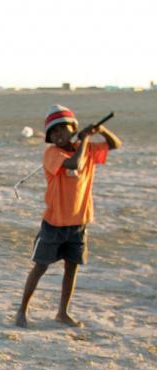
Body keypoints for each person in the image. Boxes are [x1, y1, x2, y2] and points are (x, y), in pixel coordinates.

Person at [16, 104, 121, 328]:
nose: (58, 135)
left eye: (63, 130)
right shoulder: (52, 154)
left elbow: (115, 144)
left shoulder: (87, 149)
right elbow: (74, 163)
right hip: (53, 223)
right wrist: (84, 141)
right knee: (40, 267)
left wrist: (99, 131)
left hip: (79, 223)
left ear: (73, 129)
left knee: (71, 268)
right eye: (53, 132)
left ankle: (62, 312)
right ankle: (22, 310)